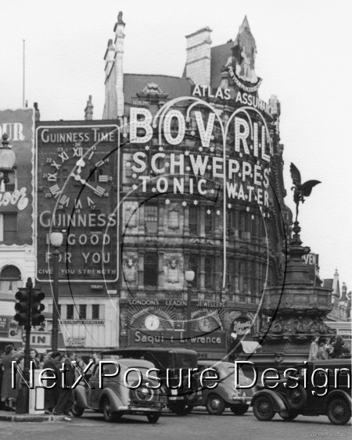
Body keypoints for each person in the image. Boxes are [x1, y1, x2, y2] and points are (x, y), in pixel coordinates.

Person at [53, 351, 76, 420]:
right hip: (66, 384)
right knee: (63, 398)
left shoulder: (68, 363)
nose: (74, 357)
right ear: (70, 356)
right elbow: (68, 375)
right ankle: (58, 410)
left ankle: (65, 410)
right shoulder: (67, 364)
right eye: (74, 355)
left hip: (67, 383)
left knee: (69, 398)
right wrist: (69, 384)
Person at [1, 345, 18, 411]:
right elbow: (15, 366)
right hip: (11, 374)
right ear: (11, 350)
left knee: (5, 389)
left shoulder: (3, 356)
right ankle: (10, 406)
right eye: (13, 350)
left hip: (5, 373)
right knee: (11, 390)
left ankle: (6, 405)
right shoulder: (12, 357)